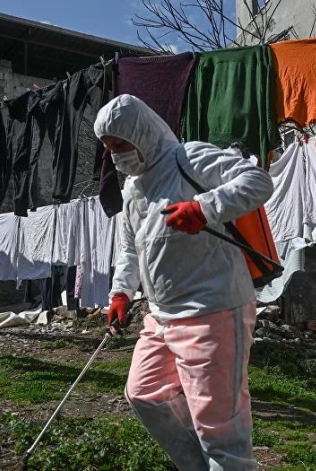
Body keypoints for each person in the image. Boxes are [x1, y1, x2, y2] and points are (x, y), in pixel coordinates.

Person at [93, 94, 274, 471]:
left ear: (141, 133)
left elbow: (257, 181)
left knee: (220, 432)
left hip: (214, 309)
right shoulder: (133, 190)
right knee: (143, 394)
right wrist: (121, 292)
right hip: (161, 316)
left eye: (120, 144)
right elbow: (129, 248)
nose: (115, 155)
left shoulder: (188, 158)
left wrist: (205, 208)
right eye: (108, 148)